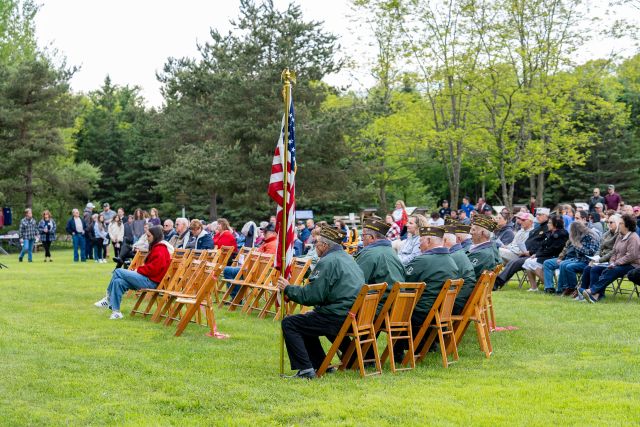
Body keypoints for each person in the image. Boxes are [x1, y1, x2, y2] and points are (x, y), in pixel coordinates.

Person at [277, 225, 365, 379]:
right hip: (350, 315)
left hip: (336, 317)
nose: (314, 245)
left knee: (290, 323)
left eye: (316, 242)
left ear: (324, 245)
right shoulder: (348, 258)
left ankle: (306, 370)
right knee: (305, 321)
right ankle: (320, 364)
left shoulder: (327, 261)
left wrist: (288, 288)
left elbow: (312, 296)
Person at [399, 226, 458, 360]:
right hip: (442, 312)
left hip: (421, 312)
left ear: (429, 240)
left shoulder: (423, 260)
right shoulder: (451, 261)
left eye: (420, 241)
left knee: (391, 310)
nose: (419, 245)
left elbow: (404, 283)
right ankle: (424, 346)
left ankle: (397, 354)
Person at [94, 225, 173, 319]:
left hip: (151, 282)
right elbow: (151, 268)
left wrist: (138, 270)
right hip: (147, 279)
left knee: (118, 271)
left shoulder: (160, 249)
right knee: (118, 282)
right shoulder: (157, 248)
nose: (147, 238)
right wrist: (138, 271)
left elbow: (154, 269)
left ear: (155, 236)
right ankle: (116, 312)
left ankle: (108, 299)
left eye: (149, 236)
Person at [580, 214, 640, 303]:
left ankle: (592, 291)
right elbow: (614, 251)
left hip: (632, 265)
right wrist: (612, 262)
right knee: (596, 269)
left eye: (621, 223)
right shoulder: (620, 236)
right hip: (619, 263)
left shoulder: (633, 237)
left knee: (612, 270)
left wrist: (615, 263)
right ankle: (596, 295)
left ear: (627, 226)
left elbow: (631, 256)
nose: (619, 225)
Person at [356, 216, 405, 312]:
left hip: (376, 309)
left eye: (363, 236)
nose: (362, 239)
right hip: (397, 308)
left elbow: (355, 284)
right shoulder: (392, 252)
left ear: (371, 238)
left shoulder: (369, 254)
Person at [493, 208, 550, 289]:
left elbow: (543, 245)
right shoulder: (536, 229)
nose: (537, 216)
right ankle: (492, 280)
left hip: (534, 255)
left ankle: (497, 282)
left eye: (540, 215)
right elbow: (530, 244)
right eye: (537, 214)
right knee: (510, 261)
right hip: (526, 254)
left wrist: (531, 252)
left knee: (513, 261)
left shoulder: (544, 229)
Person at [577, 214, 620, 299]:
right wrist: (594, 259)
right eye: (608, 222)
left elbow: (613, 252)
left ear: (618, 223)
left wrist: (599, 260)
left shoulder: (619, 235)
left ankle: (595, 294)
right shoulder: (606, 234)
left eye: (611, 222)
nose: (609, 224)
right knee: (587, 268)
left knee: (595, 269)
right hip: (601, 259)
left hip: (611, 261)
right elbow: (599, 249)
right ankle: (582, 293)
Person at [522, 215, 568, 291]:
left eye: (549, 223)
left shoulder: (561, 234)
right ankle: (534, 287)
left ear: (555, 224)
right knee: (528, 261)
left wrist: (538, 255)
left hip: (555, 256)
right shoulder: (549, 233)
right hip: (546, 255)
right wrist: (536, 254)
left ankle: (549, 287)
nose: (547, 224)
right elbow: (542, 246)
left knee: (532, 263)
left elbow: (553, 250)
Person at [555, 220, 600, 295]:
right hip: (579, 259)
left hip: (588, 261)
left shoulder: (589, 236)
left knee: (569, 267)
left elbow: (591, 252)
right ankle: (563, 288)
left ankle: (573, 288)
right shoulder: (580, 236)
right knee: (562, 264)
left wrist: (578, 246)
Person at [443, 225, 476, 314]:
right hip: (461, 300)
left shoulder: (450, 257)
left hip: (454, 304)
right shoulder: (458, 252)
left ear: (444, 240)